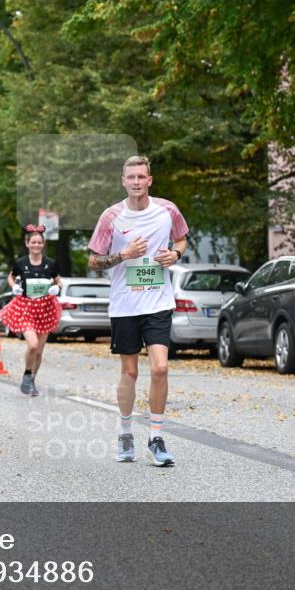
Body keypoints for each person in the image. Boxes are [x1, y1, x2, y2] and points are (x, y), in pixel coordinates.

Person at [87, 155, 189, 467]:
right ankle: (125, 431)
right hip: (125, 305)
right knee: (130, 372)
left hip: (158, 302)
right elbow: (93, 260)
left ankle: (156, 437)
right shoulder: (111, 217)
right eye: (130, 177)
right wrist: (122, 254)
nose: (136, 182)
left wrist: (174, 254)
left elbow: (182, 239)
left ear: (149, 180)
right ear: (123, 181)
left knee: (160, 368)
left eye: (141, 177)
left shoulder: (167, 210)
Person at [0, 224, 62, 396]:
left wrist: (57, 288)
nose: (36, 245)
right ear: (27, 244)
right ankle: (27, 374)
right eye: (32, 242)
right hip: (26, 307)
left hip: (45, 308)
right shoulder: (21, 263)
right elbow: (10, 277)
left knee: (40, 351)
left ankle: (32, 381)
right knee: (32, 345)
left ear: (43, 244)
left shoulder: (50, 264)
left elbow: (58, 281)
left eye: (39, 242)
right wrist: (14, 287)